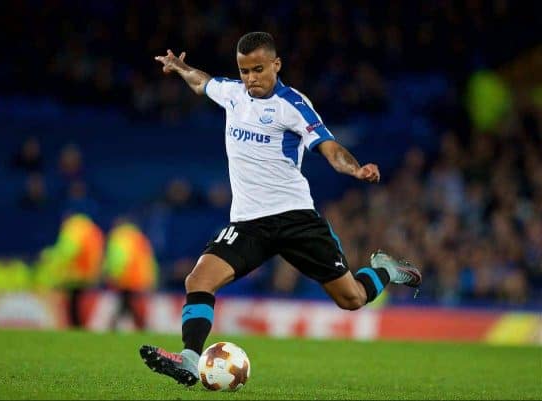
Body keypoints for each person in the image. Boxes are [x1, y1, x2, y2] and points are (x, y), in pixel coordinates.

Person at [141, 32, 422, 386]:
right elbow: (204, 83)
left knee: (351, 298)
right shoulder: (233, 94)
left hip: (296, 220)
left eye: (258, 69)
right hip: (247, 223)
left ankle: (385, 270)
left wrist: (355, 168)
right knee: (198, 279)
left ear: (276, 64)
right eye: (244, 71)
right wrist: (182, 68)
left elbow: (329, 147)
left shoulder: (293, 105)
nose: (251, 78)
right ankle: (189, 359)